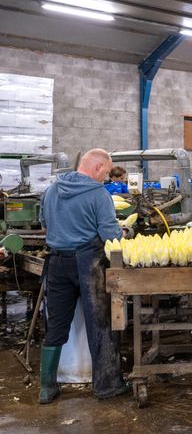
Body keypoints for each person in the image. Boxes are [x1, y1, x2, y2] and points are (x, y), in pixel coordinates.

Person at [39, 148, 130, 403]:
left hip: (56, 262)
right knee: (100, 322)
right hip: (88, 263)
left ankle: (46, 387)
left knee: (56, 323)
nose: (107, 177)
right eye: (107, 172)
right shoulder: (98, 194)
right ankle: (107, 386)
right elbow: (110, 235)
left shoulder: (51, 190)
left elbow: (44, 224)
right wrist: (125, 232)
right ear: (98, 168)